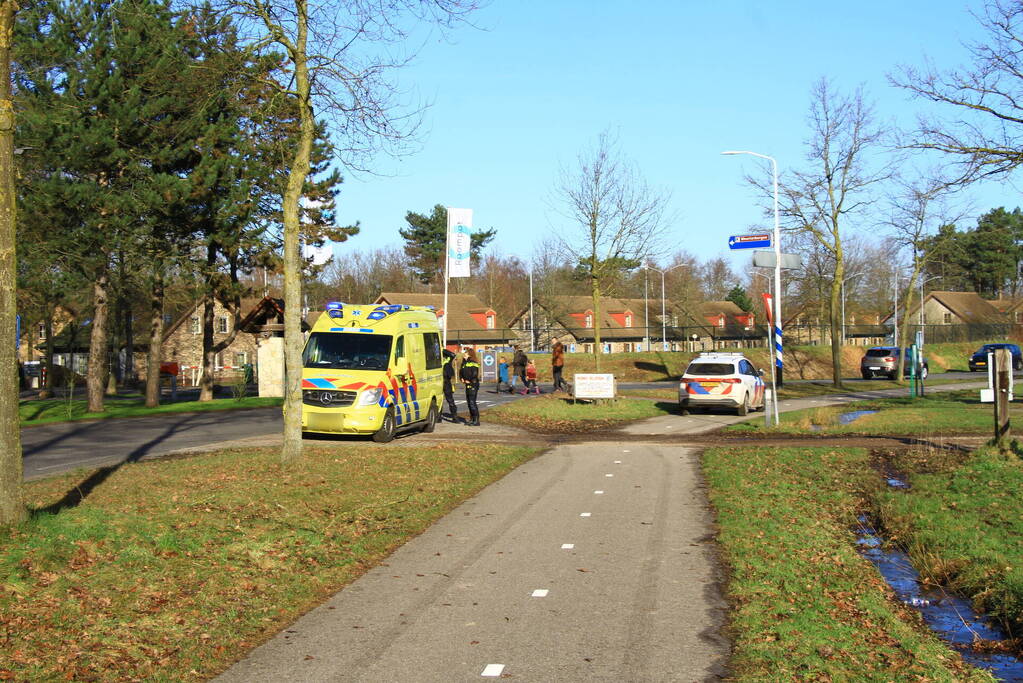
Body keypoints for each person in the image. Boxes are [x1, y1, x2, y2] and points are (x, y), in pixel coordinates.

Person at [461, 348, 481, 426]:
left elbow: (474, 374)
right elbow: (461, 372)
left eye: (465, 353)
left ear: (469, 354)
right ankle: (472, 418)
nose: (464, 355)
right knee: (469, 402)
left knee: (472, 402)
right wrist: (462, 378)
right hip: (467, 384)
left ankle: (476, 420)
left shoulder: (473, 363)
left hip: (473, 384)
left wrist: (469, 380)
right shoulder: (464, 363)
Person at [442, 348, 461, 423]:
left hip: (446, 382)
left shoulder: (448, 359)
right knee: (437, 400)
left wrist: (442, 349)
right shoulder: (435, 358)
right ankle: (438, 417)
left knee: (450, 400)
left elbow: (453, 355)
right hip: (437, 382)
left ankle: (455, 417)